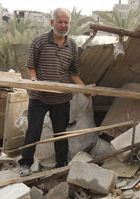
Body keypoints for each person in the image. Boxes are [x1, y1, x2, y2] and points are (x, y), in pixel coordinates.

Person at [18, 7, 87, 176]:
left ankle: (61, 163)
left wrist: (85, 88)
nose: (63, 25)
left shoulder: (72, 45)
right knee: (33, 130)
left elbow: (73, 73)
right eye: (60, 22)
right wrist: (35, 81)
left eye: (66, 22)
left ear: (70, 24)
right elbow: (31, 66)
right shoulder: (39, 41)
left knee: (60, 132)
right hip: (39, 97)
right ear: (52, 22)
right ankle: (25, 164)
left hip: (61, 97)